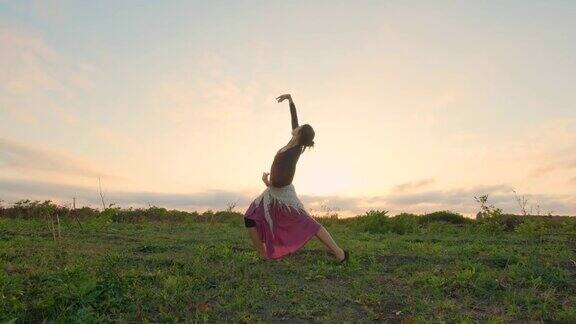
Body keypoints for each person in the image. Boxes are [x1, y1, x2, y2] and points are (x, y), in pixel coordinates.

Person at [243, 94, 348, 262]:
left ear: (299, 135)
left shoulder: (294, 151)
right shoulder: (293, 141)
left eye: (299, 129)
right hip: (273, 191)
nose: (296, 127)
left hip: (282, 192)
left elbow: (285, 178)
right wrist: (290, 100)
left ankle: (340, 253)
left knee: (308, 223)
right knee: (249, 217)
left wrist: (268, 182)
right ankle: (263, 256)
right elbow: (294, 120)